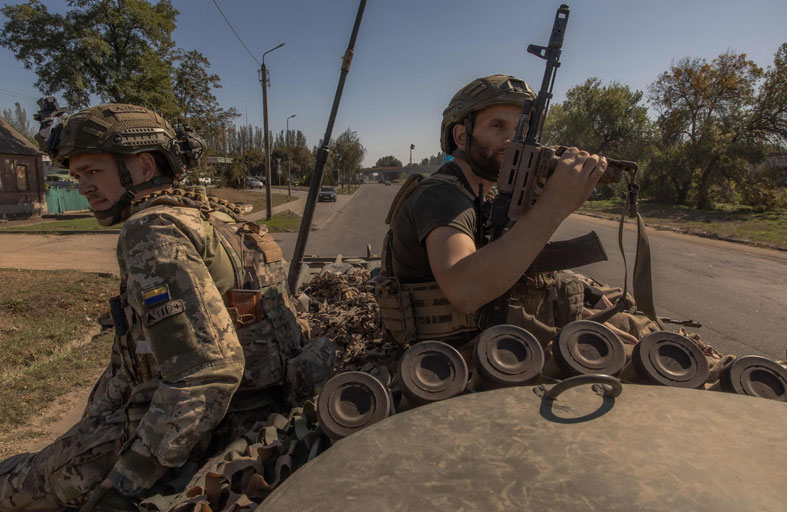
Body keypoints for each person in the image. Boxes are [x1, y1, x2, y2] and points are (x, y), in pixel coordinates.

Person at [0, 103, 329, 510]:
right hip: (264, 414)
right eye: (77, 175)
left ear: (142, 166)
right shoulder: (217, 219)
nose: (83, 186)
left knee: (15, 486)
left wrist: (126, 480)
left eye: (93, 171)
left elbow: (207, 371)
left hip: (205, 431)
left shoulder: (151, 228)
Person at [375, 75, 651, 350]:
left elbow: (511, 263)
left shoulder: (486, 192)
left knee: (629, 313)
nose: (511, 140)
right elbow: (465, 290)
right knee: (648, 341)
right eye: (497, 126)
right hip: (456, 355)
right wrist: (553, 207)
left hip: (499, 331)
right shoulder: (441, 196)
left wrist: (582, 302)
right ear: (461, 136)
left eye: (522, 129)